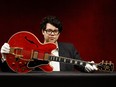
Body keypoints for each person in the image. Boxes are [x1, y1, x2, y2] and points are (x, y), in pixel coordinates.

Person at [0, 16, 98, 73]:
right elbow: (13, 70)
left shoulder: (69, 48)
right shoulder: (31, 50)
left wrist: (88, 66)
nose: (52, 34)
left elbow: (81, 66)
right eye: (49, 30)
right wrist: (5, 57)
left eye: (55, 31)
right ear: (43, 31)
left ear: (59, 33)